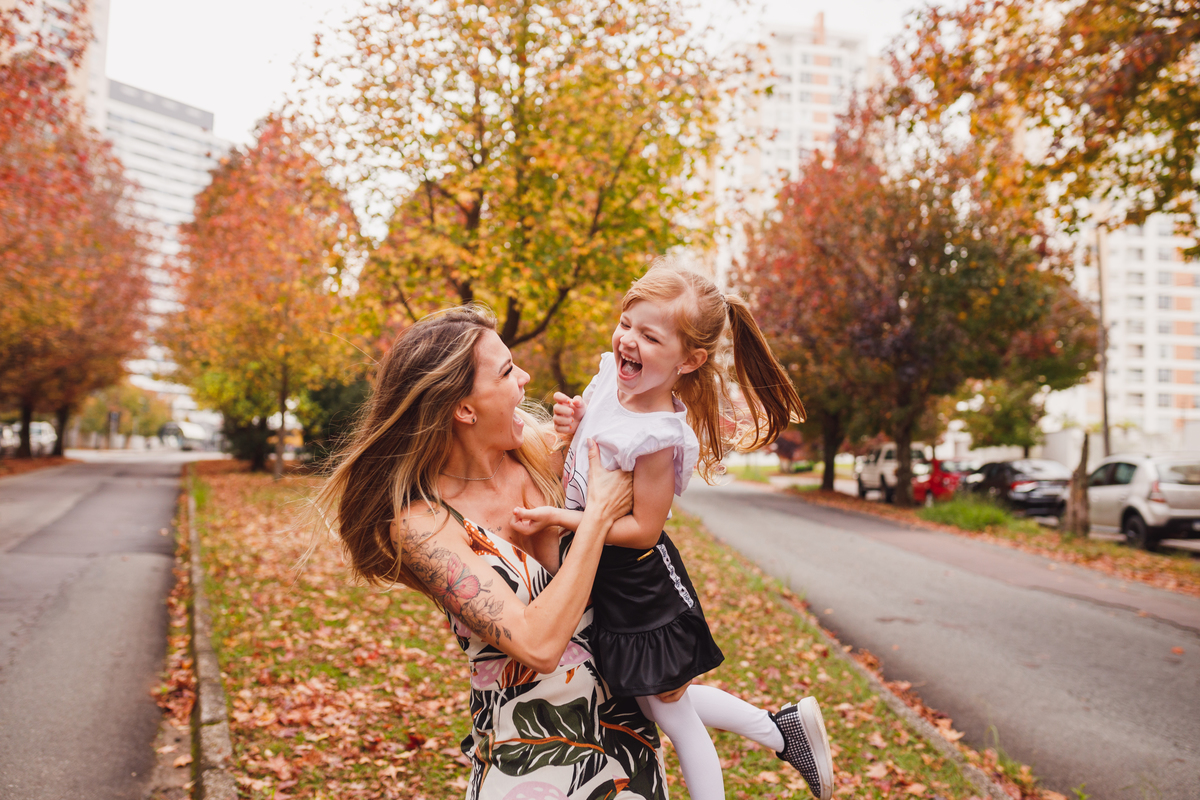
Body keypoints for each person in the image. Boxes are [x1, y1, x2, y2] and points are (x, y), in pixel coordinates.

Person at [314, 306, 668, 800]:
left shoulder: (545, 452)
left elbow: (648, 502)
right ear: (464, 409)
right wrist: (596, 518)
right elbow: (538, 646)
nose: (524, 378)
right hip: (528, 765)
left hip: (629, 750)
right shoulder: (422, 526)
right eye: (505, 371)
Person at [513, 261, 834, 800]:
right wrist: (573, 424)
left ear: (689, 360)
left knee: (672, 715)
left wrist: (561, 520)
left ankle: (780, 733)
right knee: (656, 700)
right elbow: (585, 451)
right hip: (596, 567)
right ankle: (781, 730)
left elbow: (643, 530)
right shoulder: (610, 379)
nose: (628, 340)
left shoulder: (658, 436)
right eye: (627, 324)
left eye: (650, 336)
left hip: (639, 583)